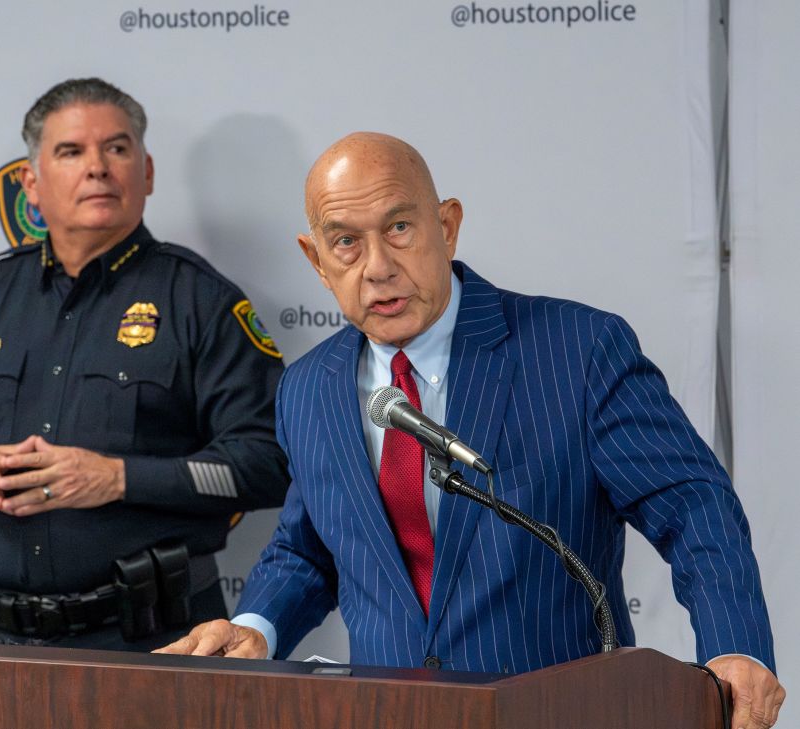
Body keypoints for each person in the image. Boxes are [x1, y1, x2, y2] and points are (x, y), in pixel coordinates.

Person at [158, 132, 785, 728]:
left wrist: (736, 648)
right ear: (316, 260)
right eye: (345, 242)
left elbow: (693, 507)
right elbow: (308, 547)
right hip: (386, 715)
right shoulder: (309, 387)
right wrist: (257, 624)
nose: (377, 267)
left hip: (560, 713)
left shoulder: (576, 350)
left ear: (448, 226)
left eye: (399, 228)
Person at [0, 78, 289, 650]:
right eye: (71, 151)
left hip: (156, 643)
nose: (97, 167)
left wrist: (116, 478)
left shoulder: (201, 301)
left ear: (146, 173)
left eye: (117, 149)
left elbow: (268, 462)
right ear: (31, 184)